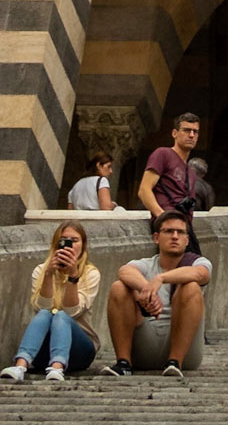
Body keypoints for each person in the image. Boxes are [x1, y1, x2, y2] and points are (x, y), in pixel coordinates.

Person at [104, 210, 210, 378]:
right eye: (168, 231)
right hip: (146, 342)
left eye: (180, 232)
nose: (174, 236)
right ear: (156, 237)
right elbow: (124, 271)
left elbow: (200, 274)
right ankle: (123, 363)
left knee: (190, 287)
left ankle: (175, 361)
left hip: (185, 351)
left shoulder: (197, 262)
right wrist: (148, 290)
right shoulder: (146, 264)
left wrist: (160, 278)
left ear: (187, 240)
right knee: (119, 287)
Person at [2, 221, 99, 381]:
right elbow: (42, 307)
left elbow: (71, 312)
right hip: (43, 349)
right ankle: (20, 365)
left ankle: (57, 367)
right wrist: (48, 275)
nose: (69, 245)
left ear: (83, 245)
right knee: (44, 314)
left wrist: (73, 276)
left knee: (61, 315)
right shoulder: (41, 270)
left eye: (74, 241)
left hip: (78, 349)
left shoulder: (91, 274)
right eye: (64, 240)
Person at [137, 113, 202, 251]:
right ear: (174, 133)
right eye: (186, 130)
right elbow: (144, 190)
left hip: (185, 228)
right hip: (167, 227)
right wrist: (163, 216)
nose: (191, 135)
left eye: (195, 132)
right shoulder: (163, 154)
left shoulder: (191, 172)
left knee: (196, 263)